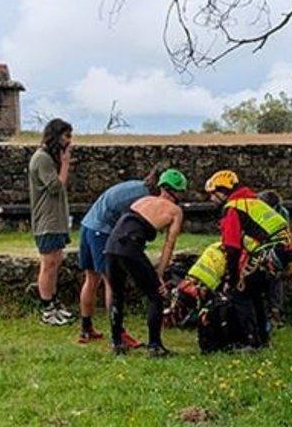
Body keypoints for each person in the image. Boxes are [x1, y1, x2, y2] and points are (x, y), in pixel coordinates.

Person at [204, 170, 292, 349]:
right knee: (254, 292)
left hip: (270, 251)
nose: (211, 200)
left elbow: (232, 247)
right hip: (284, 249)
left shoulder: (233, 208)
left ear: (222, 192)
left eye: (212, 195)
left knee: (240, 292)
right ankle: (262, 339)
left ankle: (251, 342)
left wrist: (232, 276)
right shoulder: (252, 202)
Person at [104, 168, 188, 358]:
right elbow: (169, 244)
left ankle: (117, 343)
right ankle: (154, 346)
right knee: (155, 296)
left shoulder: (142, 200)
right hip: (130, 247)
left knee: (117, 295)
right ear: (177, 192)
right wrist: (158, 273)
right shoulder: (175, 211)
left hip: (111, 246)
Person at [76, 165, 164, 344]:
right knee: (112, 281)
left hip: (88, 225)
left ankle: (86, 328)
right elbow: (127, 228)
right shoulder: (144, 198)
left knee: (91, 279)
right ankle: (119, 333)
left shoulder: (137, 186)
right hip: (101, 230)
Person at [29, 118, 75, 326]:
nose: (69, 142)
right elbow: (56, 187)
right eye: (66, 136)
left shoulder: (48, 159)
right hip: (47, 221)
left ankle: (54, 303)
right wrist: (65, 164)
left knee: (55, 262)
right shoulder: (42, 159)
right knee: (48, 265)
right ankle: (47, 308)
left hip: (56, 220)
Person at [257, 190, 292, 327]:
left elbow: (286, 234)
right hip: (258, 246)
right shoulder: (256, 210)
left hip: (276, 247)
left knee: (275, 276)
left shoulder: (282, 213)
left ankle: (275, 312)